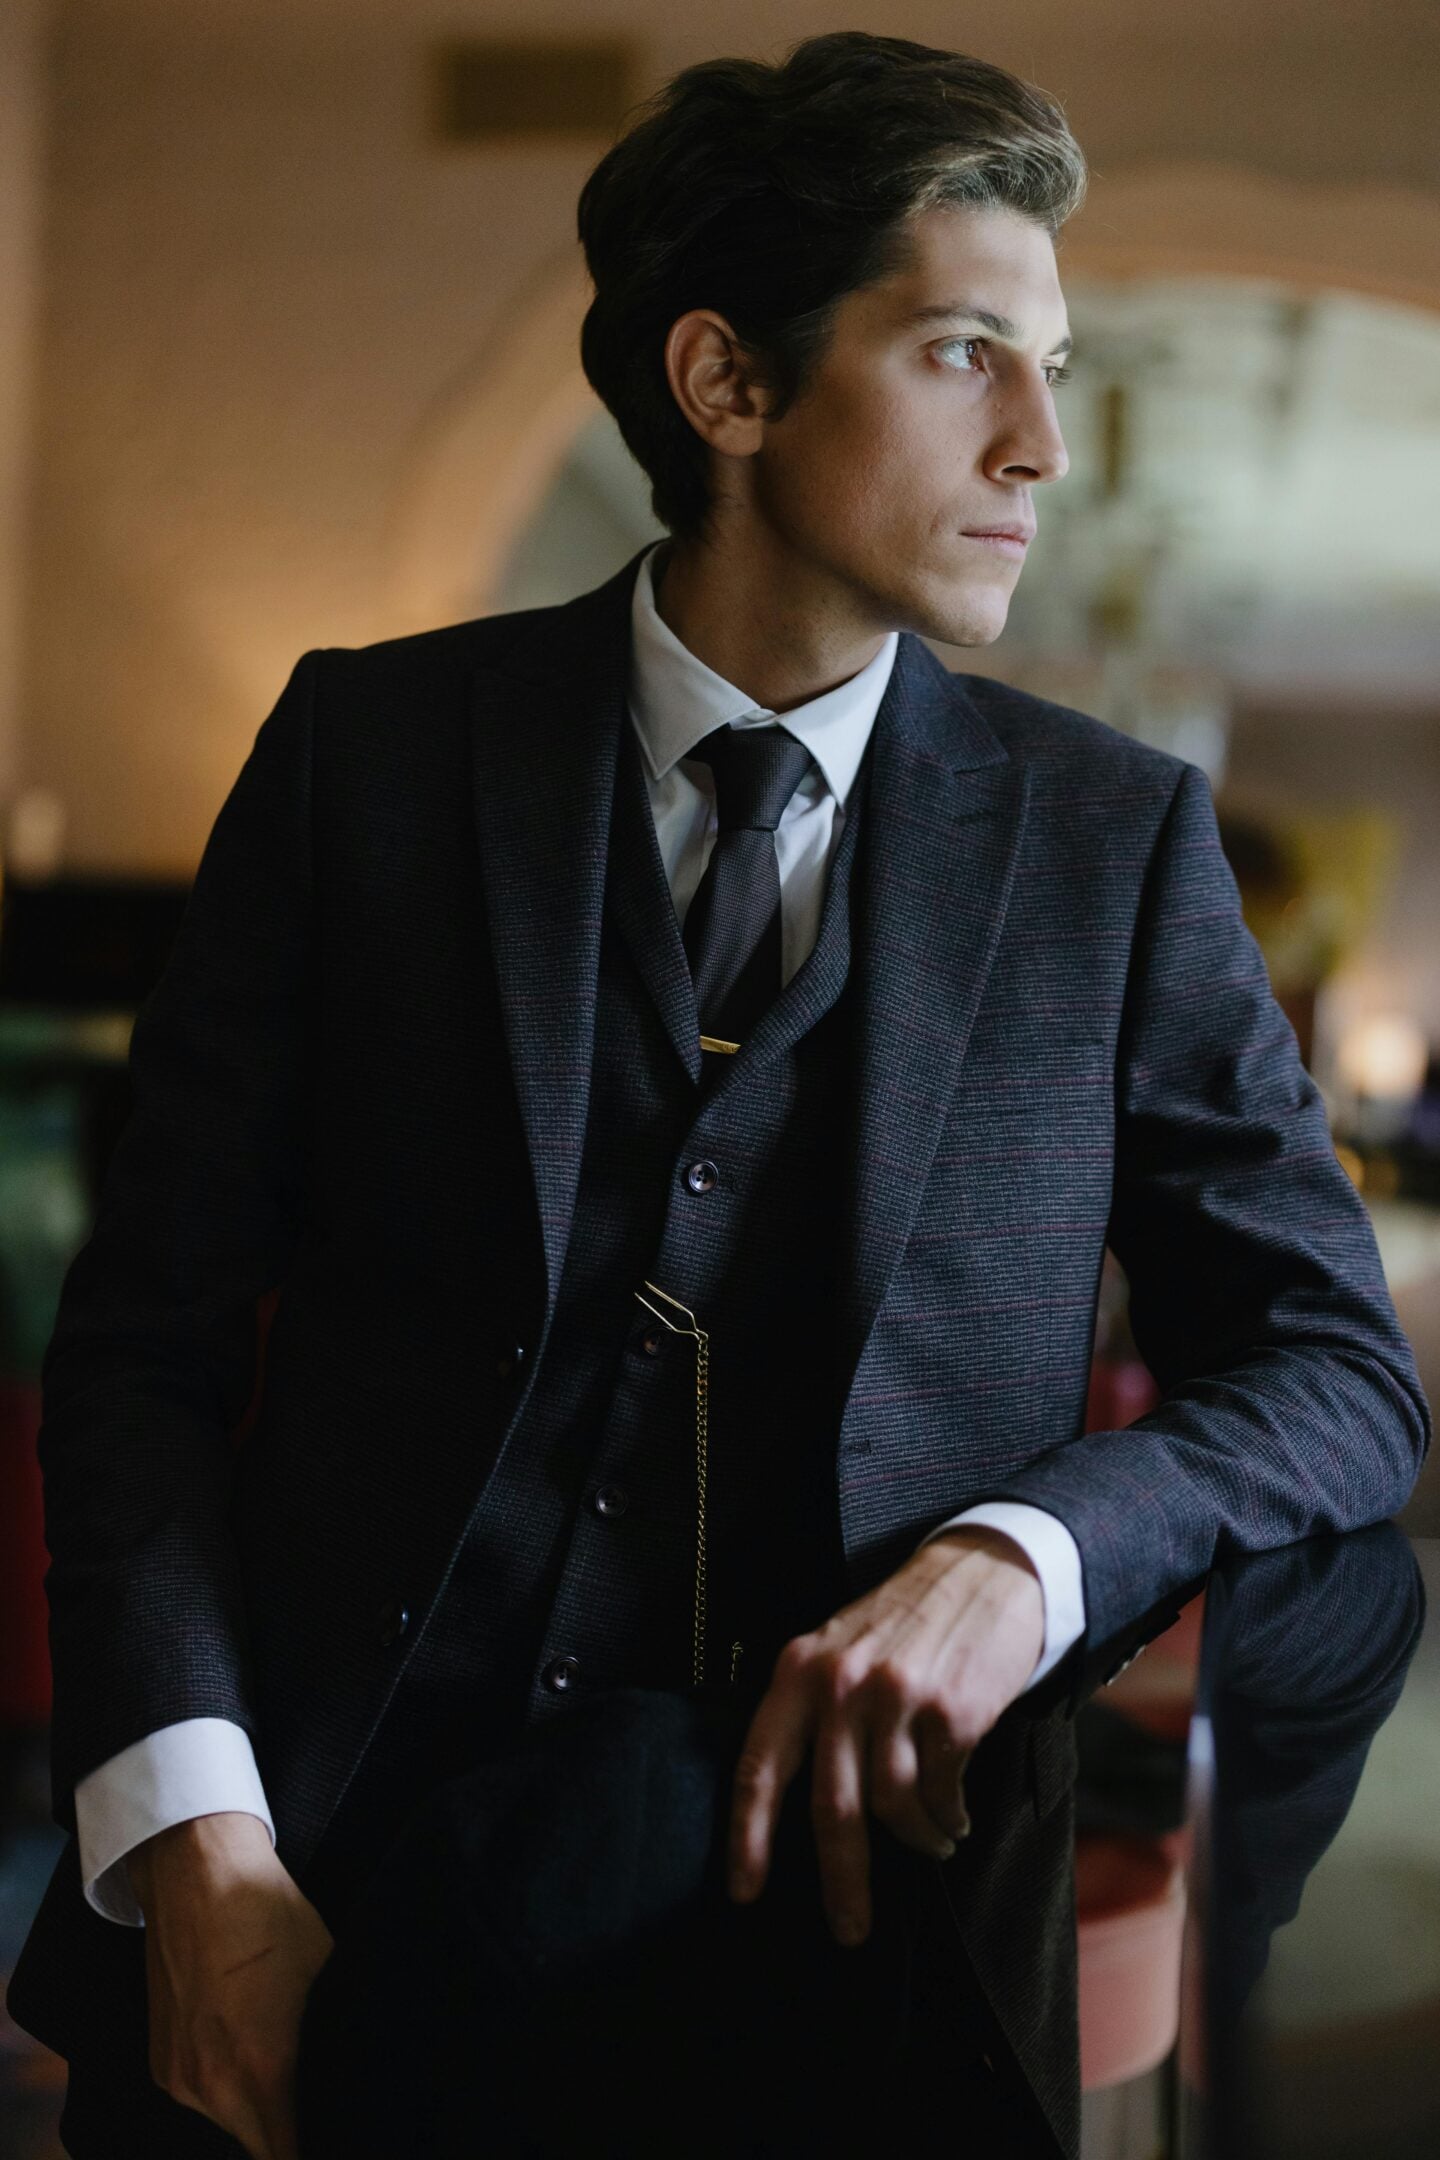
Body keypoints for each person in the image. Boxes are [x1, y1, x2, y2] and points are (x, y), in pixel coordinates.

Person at [7, 28, 1429, 2160]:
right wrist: (193, 1846)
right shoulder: (365, 761)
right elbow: (138, 1361)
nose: (1047, 442)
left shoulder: (1116, 846)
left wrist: (1020, 1556)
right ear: (730, 387)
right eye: (968, 353)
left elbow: (1337, 1370)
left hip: (870, 1961)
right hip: (329, 1913)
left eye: (1056, 364)